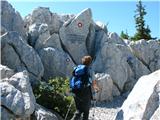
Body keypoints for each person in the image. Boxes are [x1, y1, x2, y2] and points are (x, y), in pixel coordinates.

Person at [71, 55, 99, 120]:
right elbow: (94, 83)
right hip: (85, 92)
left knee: (79, 110)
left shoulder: (77, 69)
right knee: (86, 111)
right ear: (90, 62)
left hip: (76, 91)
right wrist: (97, 89)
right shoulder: (90, 70)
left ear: (83, 61)